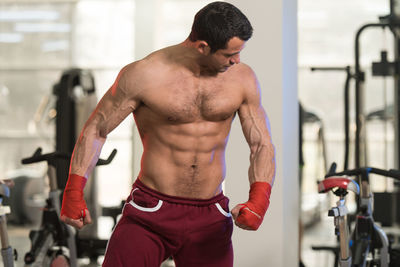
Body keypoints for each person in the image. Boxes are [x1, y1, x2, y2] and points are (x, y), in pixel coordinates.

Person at [60, 1, 276, 266]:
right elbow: (97, 129)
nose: (237, 60)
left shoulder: (242, 78)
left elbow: (261, 143)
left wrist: (259, 199)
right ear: (202, 46)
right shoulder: (145, 74)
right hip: (150, 211)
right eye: (229, 54)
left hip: (209, 216)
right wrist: (74, 190)